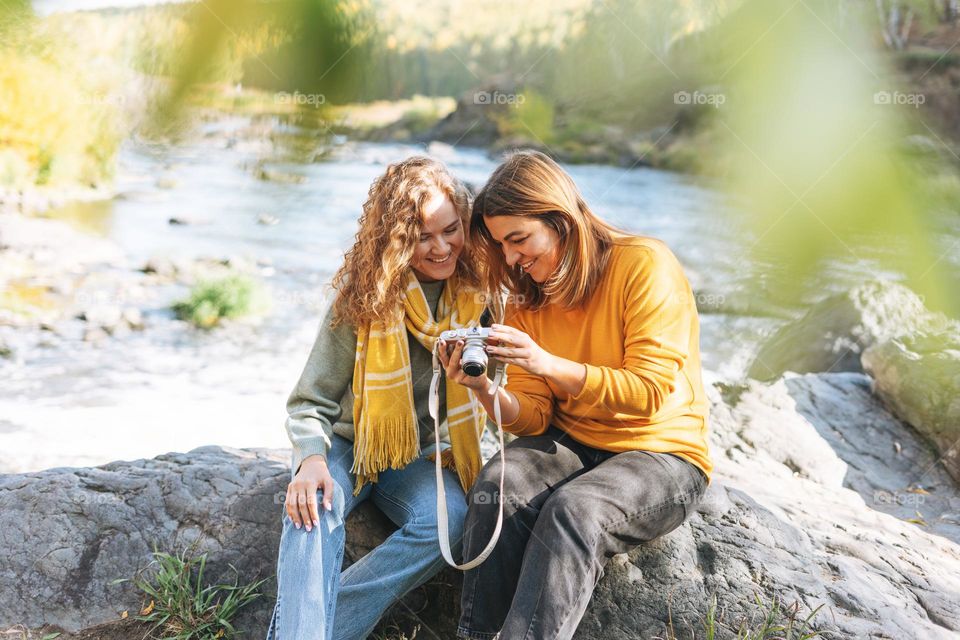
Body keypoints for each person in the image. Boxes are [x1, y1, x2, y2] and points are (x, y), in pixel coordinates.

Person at [439, 150, 712, 640]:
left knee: (574, 510)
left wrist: (544, 361)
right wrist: (483, 388)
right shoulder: (526, 295)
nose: (511, 258)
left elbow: (648, 393)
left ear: (560, 220)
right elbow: (534, 417)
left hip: (662, 454)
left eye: (519, 239)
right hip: (575, 443)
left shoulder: (644, 264)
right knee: (498, 484)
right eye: (502, 246)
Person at [267, 156, 488, 640]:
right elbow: (310, 400)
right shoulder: (364, 295)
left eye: (451, 230)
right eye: (421, 237)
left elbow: (500, 394)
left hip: (418, 456)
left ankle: (322, 629)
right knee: (313, 512)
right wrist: (309, 460)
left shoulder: (479, 296)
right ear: (395, 241)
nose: (441, 247)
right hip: (349, 445)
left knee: (448, 522)